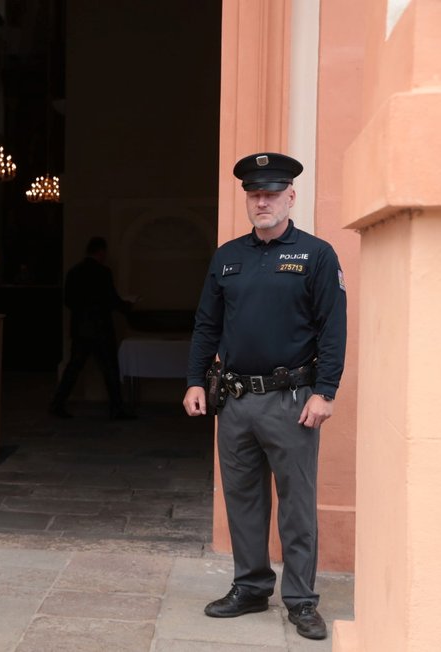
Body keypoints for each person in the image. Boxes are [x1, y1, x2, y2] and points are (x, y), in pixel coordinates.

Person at [182, 152, 347, 641]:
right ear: (247, 200)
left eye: (272, 193)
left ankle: (300, 600)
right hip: (234, 402)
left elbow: (332, 330)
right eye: (255, 194)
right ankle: (251, 588)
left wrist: (326, 391)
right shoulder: (227, 256)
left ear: (290, 197)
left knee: (297, 504)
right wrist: (195, 380)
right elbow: (207, 324)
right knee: (243, 501)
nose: (263, 202)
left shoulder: (316, 255)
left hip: (292, 402)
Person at [49, 236, 134, 419]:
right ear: (101, 252)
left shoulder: (74, 272)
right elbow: (112, 300)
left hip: (81, 329)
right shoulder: (103, 272)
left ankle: (57, 403)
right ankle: (116, 408)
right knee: (110, 369)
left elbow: (68, 300)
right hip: (101, 329)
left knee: (73, 368)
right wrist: (127, 306)